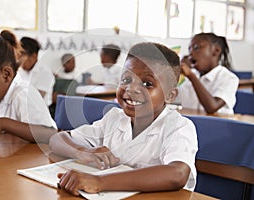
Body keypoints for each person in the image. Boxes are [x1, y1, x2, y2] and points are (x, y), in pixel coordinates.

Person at [49, 42, 198, 196]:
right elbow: (58, 139)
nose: (131, 88)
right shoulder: (114, 118)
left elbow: (177, 174)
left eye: (147, 83)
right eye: (126, 80)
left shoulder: (178, 126)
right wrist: (83, 152)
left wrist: (100, 182)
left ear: (170, 95)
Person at [178, 32, 239, 114]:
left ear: (216, 50)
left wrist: (191, 76)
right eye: (190, 49)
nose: (191, 53)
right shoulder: (188, 77)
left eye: (196, 48)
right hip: (193, 124)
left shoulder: (229, 78)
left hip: (216, 126)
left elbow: (212, 107)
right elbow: (169, 98)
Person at [18, 36, 55, 107]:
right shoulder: (18, 70)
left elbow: (36, 99)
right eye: (18, 55)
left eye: (22, 55)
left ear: (34, 56)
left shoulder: (45, 73)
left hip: (38, 113)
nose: (18, 59)